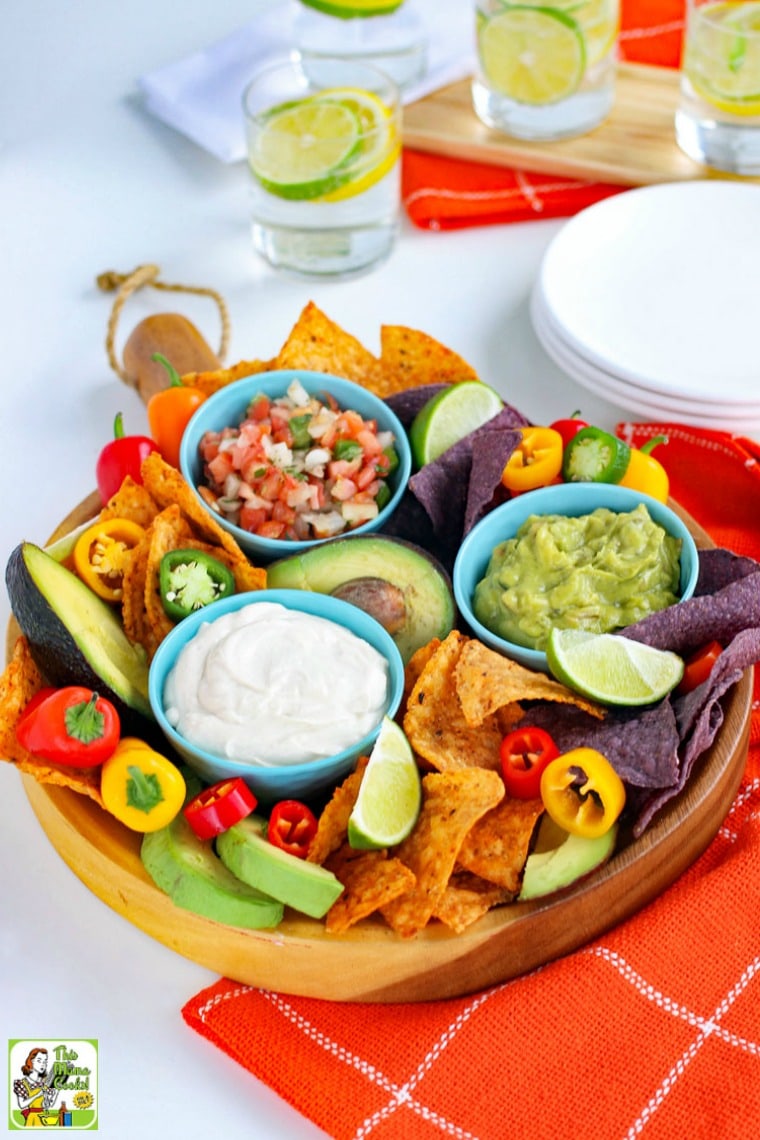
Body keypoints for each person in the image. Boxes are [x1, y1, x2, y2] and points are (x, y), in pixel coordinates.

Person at [12, 1048, 59, 1127]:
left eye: (45, 1062)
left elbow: (48, 1105)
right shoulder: (21, 1083)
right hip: (32, 1119)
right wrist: (37, 1095)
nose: (43, 1064)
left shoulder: (45, 1082)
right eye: (39, 1061)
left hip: (43, 1118)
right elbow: (21, 1105)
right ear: (31, 1061)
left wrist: (57, 1091)